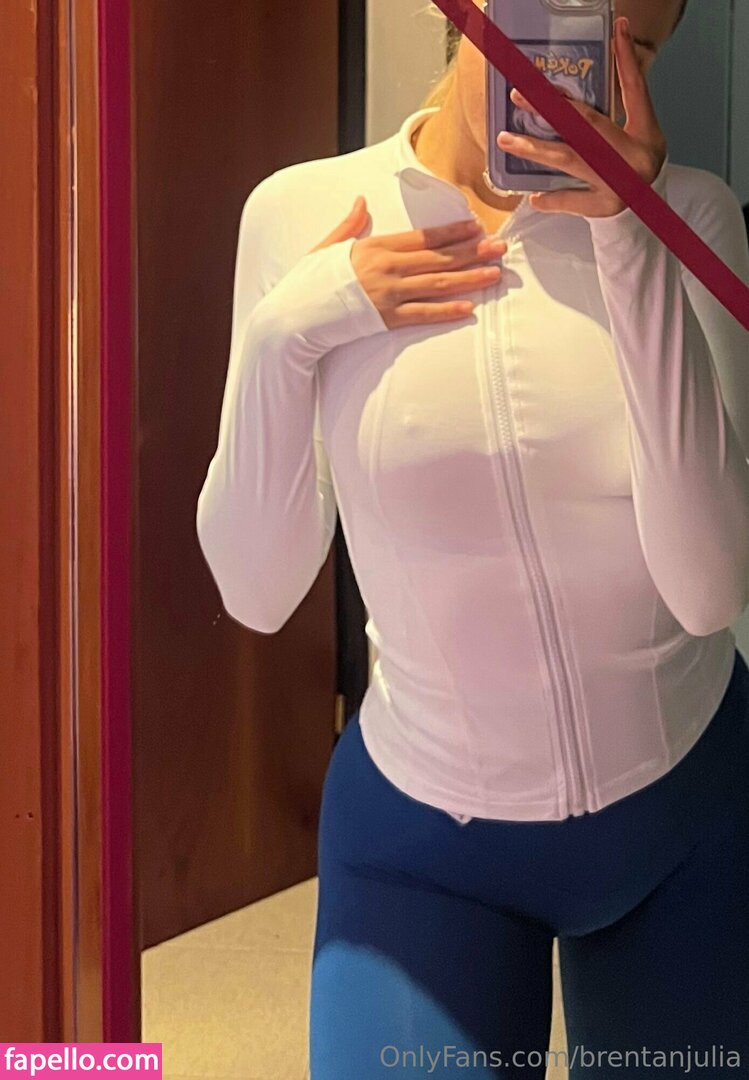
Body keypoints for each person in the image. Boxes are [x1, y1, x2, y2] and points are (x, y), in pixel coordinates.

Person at [195, 0, 749, 1075]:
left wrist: (626, 237)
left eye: (626, 47)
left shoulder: (691, 216)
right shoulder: (300, 213)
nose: (572, 69)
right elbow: (255, 592)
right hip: (422, 840)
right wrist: (287, 331)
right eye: (552, 13)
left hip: (688, 814)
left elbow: (706, 589)